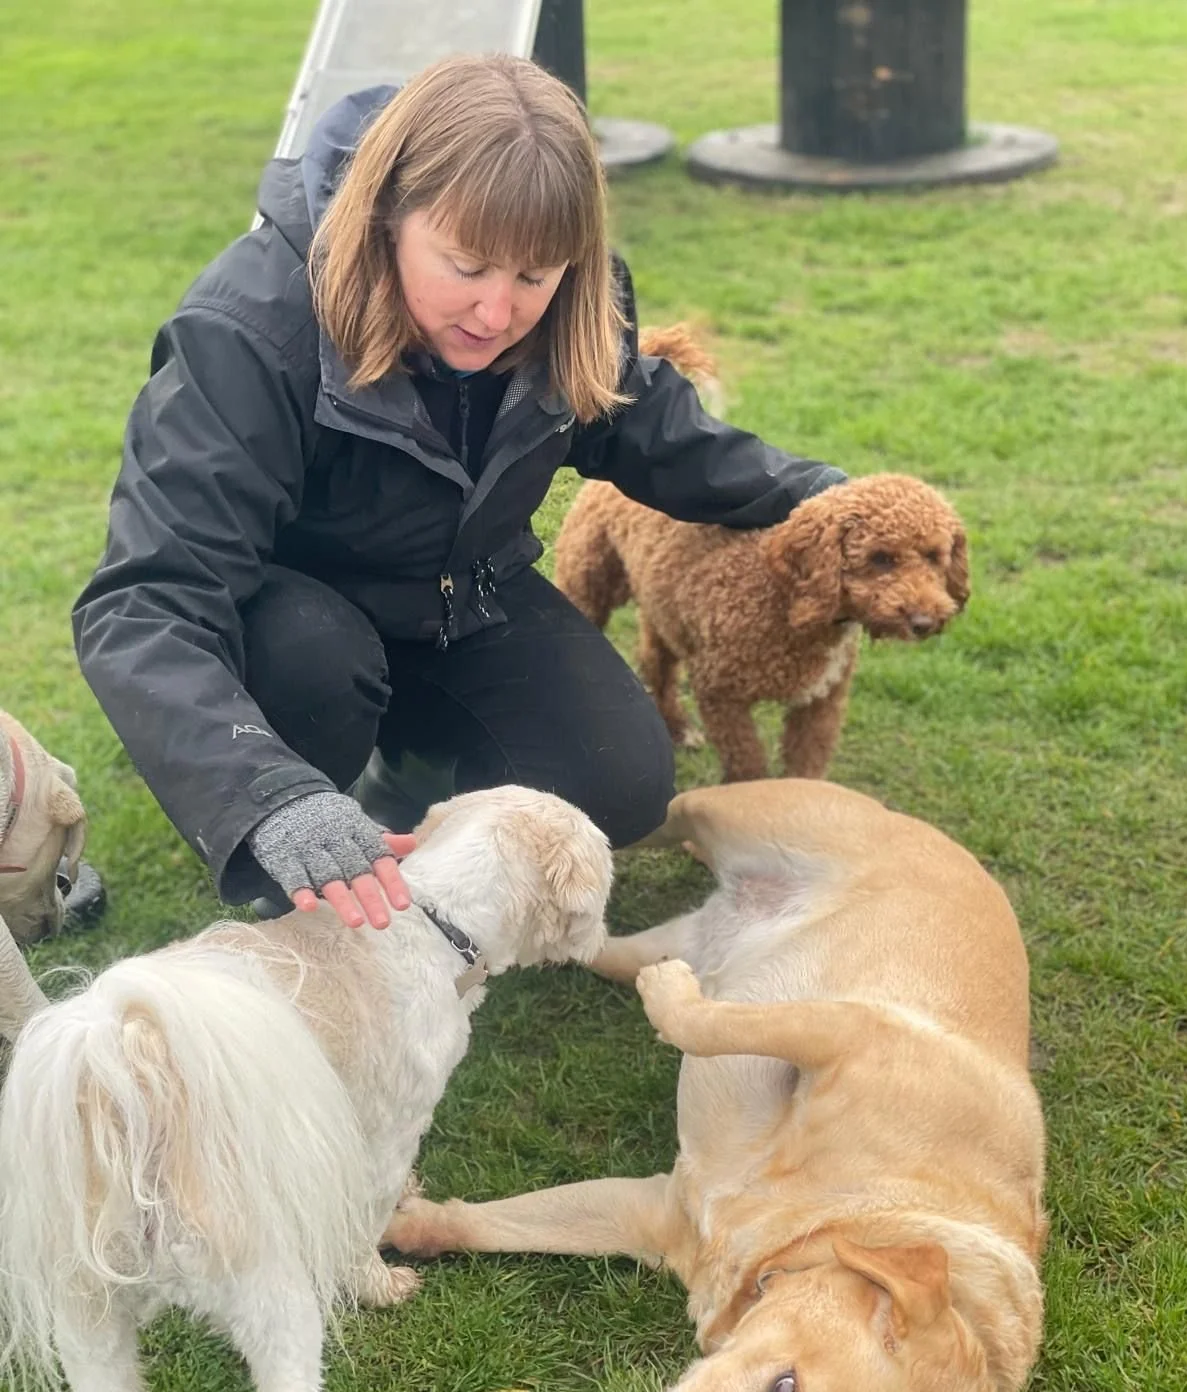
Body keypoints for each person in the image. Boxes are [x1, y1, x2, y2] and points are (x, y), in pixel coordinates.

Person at [74, 54, 846, 933]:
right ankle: (302, 825)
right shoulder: (246, 330)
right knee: (314, 659)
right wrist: (268, 796)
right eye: (467, 266)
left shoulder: (572, 305)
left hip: (462, 599)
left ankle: (404, 780)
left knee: (619, 785)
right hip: (295, 633)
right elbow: (145, 599)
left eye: (535, 276)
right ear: (387, 217)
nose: (496, 314)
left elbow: (655, 430)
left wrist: (825, 498)